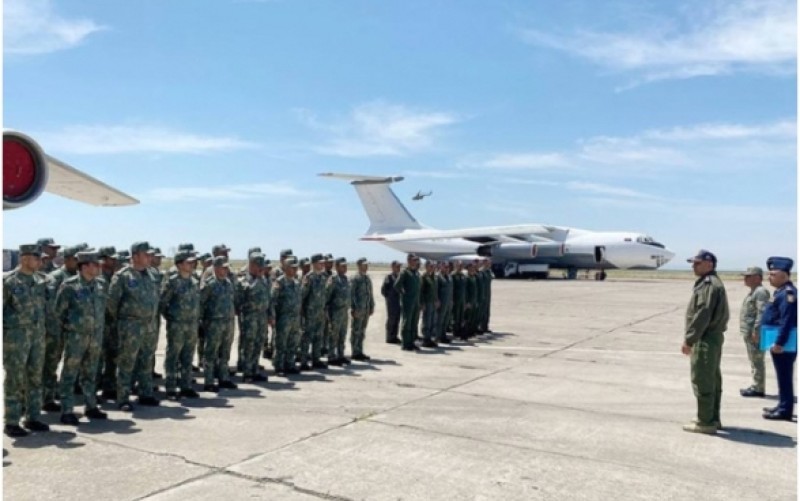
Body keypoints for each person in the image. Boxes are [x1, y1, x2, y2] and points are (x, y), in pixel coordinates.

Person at [56, 251, 108, 425]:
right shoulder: (69, 286)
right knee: (69, 374)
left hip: (95, 337)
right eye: (96, 264)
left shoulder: (101, 285)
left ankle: (91, 406)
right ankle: (67, 410)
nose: (99, 267)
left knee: (91, 373)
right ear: (85, 266)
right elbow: (59, 313)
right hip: (76, 338)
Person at [107, 241, 160, 411]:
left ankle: (145, 393)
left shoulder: (152, 275)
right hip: (131, 326)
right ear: (135, 256)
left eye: (150, 254)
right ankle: (123, 397)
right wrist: (125, 321)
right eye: (146, 254)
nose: (150, 257)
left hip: (149, 325)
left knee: (146, 360)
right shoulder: (123, 276)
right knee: (126, 362)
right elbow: (112, 303)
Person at [3, 244, 49, 437]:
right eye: (37, 258)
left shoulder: (41, 281)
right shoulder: (8, 282)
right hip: (16, 338)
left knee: (35, 377)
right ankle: (12, 421)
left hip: (37, 337)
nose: (40, 262)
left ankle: (33, 417)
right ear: (24, 259)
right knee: (15, 379)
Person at [681, 250, 729, 434]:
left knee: (702, 378)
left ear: (709, 264)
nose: (693, 267)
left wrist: (689, 339)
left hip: (705, 337)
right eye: (693, 263)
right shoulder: (711, 282)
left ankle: (705, 422)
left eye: (697, 263)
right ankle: (711, 417)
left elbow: (703, 314)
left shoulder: (709, 285)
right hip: (712, 336)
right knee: (712, 378)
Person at [42, 244, 80, 412]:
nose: (78, 263)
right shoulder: (56, 277)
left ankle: (55, 394)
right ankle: (46, 398)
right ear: (67, 259)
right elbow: (51, 305)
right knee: (50, 364)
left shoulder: (79, 277)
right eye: (76, 259)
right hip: (55, 329)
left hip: (71, 330)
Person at [159, 251, 201, 399]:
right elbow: (163, 303)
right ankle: (170, 388)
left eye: (192, 262)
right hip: (177, 325)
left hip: (192, 325)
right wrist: (172, 318)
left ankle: (186, 386)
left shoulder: (194, 282)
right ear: (179, 265)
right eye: (188, 262)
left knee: (188, 356)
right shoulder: (172, 282)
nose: (192, 265)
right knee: (173, 356)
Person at [761, 257, 797, 421]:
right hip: (778, 341)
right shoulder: (780, 292)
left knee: (785, 376)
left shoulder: (788, 294)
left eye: (773, 274)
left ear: (784, 275)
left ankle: (785, 410)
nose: (769, 277)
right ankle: (782, 404)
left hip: (784, 344)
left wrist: (779, 342)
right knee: (782, 376)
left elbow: (787, 320)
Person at [199, 257, 238, 392]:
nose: (226, 270)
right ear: (216, 268)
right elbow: (201, 304)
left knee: (225, 352)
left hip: (228, 323)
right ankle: (209, 381)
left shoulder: (228, 283)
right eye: (223, 267)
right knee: (211, 353)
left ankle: (224, 378)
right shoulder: (209, 285)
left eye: (227, 267)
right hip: (214, 323)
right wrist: (201, 322)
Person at [236, 252, 271, 382]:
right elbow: (245, 294)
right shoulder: (244, 280)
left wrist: (270, 315)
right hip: (249, 317)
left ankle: (255, 369)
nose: (260, 268)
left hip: (261, 316)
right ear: (251, 265)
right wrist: (257, 280)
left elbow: (268, 298)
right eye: (258, 265)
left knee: (258, 344)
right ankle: (247, 372)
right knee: (248, 344)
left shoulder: (264, 280)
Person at [738, 266, 770, 398]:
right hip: (750, 333)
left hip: (755, 334)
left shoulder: (760, 292)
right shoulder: (754, 291)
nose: (745, 279)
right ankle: (756, 385)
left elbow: (761, 313)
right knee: (754, 360)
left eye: (748, 276)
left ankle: (758, 388)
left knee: (757, 361)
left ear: (757, 278)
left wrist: (757, 331)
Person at [271, 256, 303, 375]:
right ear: (285, 268)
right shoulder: (280, 282)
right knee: (281, 343)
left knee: (293, 342)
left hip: (295, 318)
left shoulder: (296, 283)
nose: (295, 270)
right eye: (292, 268)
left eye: (296, 268)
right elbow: (273, 301)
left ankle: (290, 364)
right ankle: (279, 366)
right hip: (283, 318)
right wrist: (273, 317)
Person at [300, 254, 329, 370]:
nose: (322, 265)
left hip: (320, 312)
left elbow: (324, 296)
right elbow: (302, 296)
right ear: (314, 264)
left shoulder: (323, 277)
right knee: (307, 337)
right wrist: (302, 311)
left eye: (323, 263)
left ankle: (316, 359)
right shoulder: (309, 278)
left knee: (318, 336)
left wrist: (325, 310)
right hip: (310, 313)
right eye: (320, 263)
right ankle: (303, 361)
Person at [326, 257, 351, 366]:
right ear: (336, 267)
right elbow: (327, 295)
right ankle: (331, 356)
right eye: (342, 266)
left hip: (344, 312)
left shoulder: (345, 279)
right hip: (335, 312)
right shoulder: (333, 279)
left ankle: (341, 355)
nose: (345, 268)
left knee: (342, 334)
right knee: (334, 334)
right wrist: (327, 311)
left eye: (346, 266)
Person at [394, 254, 422, 351]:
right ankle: (405, 343)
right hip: (408, 302)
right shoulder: (405, 272)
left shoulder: (416, 273)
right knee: (407, 322)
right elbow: (397, 285)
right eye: (413, 260)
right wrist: (404, 294)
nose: (415, 262)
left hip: (416, 302)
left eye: (416, 260)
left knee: (414, 322)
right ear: (409, 261)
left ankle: (412, 342)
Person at [350, 257, 375, 361]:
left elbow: (370, 294)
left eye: (367, 265)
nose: (366, 267)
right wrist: (354, 308)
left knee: (362, 331)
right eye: (364, 265)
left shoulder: (367, 278)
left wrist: (371, 306)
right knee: (356, 330)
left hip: (366, 309)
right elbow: (351, 294)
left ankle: (360, 350)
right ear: (359, 266)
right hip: (358, 309)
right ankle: (355, 352)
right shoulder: (355, 278)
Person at [381, 260, 402, 344]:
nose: (399, 268)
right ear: (392, 267)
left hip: (398, 302)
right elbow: (383, 290)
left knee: (397, 319)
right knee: (391, 319)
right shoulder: (389, 277)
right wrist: (389, 298)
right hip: (391, 302)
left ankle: (395, 336)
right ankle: (389, 337)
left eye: (399, 267)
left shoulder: (399, 277)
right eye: (397, 266)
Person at [420, 260, 439, 348]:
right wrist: (422, 303)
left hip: (433, 302)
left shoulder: (433, 277)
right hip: (427, 302)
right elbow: (421, 291)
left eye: (433, 266)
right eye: (431, 266)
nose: (432, 268)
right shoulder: (424, 277)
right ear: (426, 267)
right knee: (427, 321)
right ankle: (426, 339)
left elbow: (435, 290)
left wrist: (437, 299)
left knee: (432, 321)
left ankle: (430, 338)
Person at [436, 261, 453, 344]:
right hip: (442, 302)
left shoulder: (449, 277)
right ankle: (438, 336)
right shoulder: (438, 277)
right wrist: (437, 300)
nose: (447, 269)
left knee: (446, 319)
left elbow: (451, 289)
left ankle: (443, 335)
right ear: (441, 267)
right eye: (445, 267)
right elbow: (436, 290)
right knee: (440, 319)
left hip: (448, 302)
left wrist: (451, 300)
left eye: (448, 267)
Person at [451, 260, 466, 340]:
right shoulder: (453, 275)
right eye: (459, 265)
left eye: (461, 266)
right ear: (455, 266)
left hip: (462, 299)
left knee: (461, 316)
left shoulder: (463, 275)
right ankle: (455, 331)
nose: (460, 267)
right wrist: (452, 299)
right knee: (455, 316)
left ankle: (460, 330)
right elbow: (451, 288)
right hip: (456, 299)